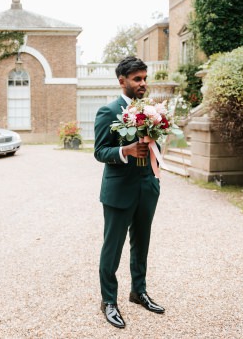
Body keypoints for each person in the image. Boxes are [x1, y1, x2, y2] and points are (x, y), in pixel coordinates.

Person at [92, 56, 165, 329]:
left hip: (148, 187)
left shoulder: (151, 110)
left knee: (142, 243)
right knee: (113, 248)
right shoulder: (108, 111)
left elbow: (156, 144)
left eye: (145, 78)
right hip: (119, 189)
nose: (143, 83)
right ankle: (108, 300)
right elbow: (99, 151)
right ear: (122, 81)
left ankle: (139, 292)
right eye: (137, 79)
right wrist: (126, 150)